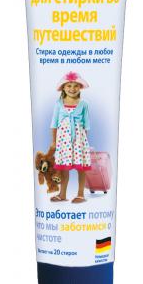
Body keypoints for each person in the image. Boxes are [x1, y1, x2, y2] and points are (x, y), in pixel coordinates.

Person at [50, 71, 91, 203]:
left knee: (81, 168)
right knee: (63, 168)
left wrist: (84, 144)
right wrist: (54, 142)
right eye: (69, 86)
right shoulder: (58, 104)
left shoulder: (84, 104)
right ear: (63, 87)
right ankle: (62, 194)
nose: (72, 89)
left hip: (79, 141)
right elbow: (54, 124)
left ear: (80, 87)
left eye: (76, 86)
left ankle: (80, 194)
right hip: (63, 141)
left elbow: (86, 125)